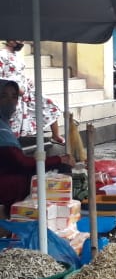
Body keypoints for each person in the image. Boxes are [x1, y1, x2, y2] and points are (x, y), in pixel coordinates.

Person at [0, 80, 72, 210]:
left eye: (14, 96)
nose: (10, 101)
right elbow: (21, 162)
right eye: (3, 96)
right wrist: (59, 159)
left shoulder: (4, 123)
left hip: (10, 174)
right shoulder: (2, 129)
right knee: (61, 169)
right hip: (6, 183)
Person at [1, 41, 63, 145]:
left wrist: (28, 80)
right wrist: (15, 89)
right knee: (13, 120)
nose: (21, 42)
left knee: (50, 104)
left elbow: (18, 73)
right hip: (12, 93)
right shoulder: (2, 55)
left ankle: (55, 135)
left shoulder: (17, 55)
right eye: (18, 39)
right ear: (10, 41)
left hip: (26, 89)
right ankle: (12, 146)